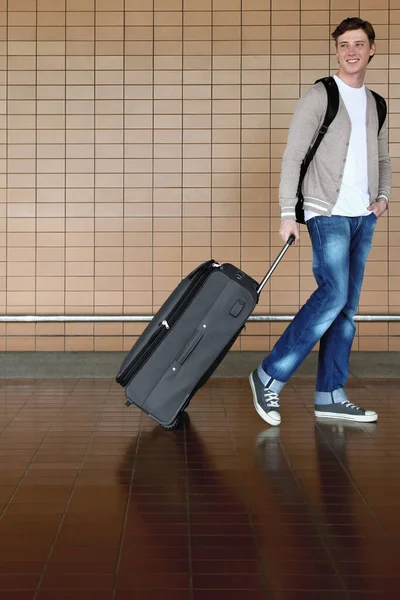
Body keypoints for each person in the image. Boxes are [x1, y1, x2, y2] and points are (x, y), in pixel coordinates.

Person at [249, 17, 391, 427]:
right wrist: (286, 212)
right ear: (336, 50)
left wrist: (382, 198)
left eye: (359, 44)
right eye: (344, 44)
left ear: (371, 49)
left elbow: (382, 158)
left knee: (346, 307)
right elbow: (293, 155)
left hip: (362, 216)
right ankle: (268, 375)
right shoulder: (321, 94)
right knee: (332, 295)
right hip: (324, 211)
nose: (351, 51)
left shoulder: (377, 103)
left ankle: (330, 393)